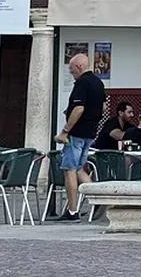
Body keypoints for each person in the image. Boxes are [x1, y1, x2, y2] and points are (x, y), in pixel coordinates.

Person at [55, 53, 106, 221]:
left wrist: (65, 131)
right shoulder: (98, 83)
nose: (72, 74)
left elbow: (78, 109)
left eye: (71, 71)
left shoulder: (82, 83)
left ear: (79, 67)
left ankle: (72, 211)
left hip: (76, 133)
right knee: (78, 168)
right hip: (90, 132)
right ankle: (99, 198)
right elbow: (103, 107)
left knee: (69, 169)